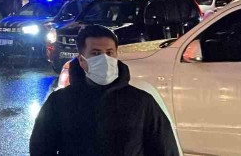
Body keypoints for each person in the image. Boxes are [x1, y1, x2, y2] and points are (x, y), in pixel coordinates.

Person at [30, 25, 179, 156]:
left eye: (109, 52)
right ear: (81, 60)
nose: (105, 59)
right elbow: (41, 149)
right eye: (96, 53)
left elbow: (165, 149)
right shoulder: (59, 102)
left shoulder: (142, 102)